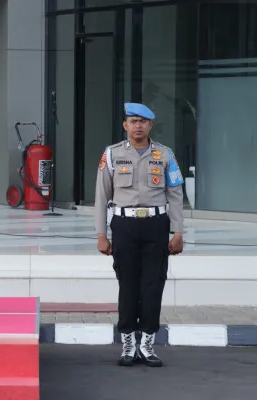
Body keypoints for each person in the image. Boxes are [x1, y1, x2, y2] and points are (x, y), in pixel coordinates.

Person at [94, 102, 184, 367]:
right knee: (128, 284)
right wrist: (101, 234)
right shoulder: (112, 154)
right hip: (124, 226)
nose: (138, 126)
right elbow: (101, 196)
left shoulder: (165, 155)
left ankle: (147, 343)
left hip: (156, 225)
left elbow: (175, 195)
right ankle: (128, 344)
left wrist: (178, 231)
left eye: (142, 122)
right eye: (133, 121)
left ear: (150, 125)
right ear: (125, 125)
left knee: (153, 284)